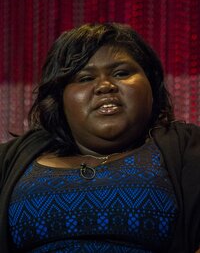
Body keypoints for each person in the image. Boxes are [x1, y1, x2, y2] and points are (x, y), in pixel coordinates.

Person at [0, 23, 199, 253]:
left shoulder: (188, 149)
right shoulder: (10, 160)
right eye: (85, 78)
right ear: (59, 98)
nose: (105, 86)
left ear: (152, 85)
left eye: (121, 73)